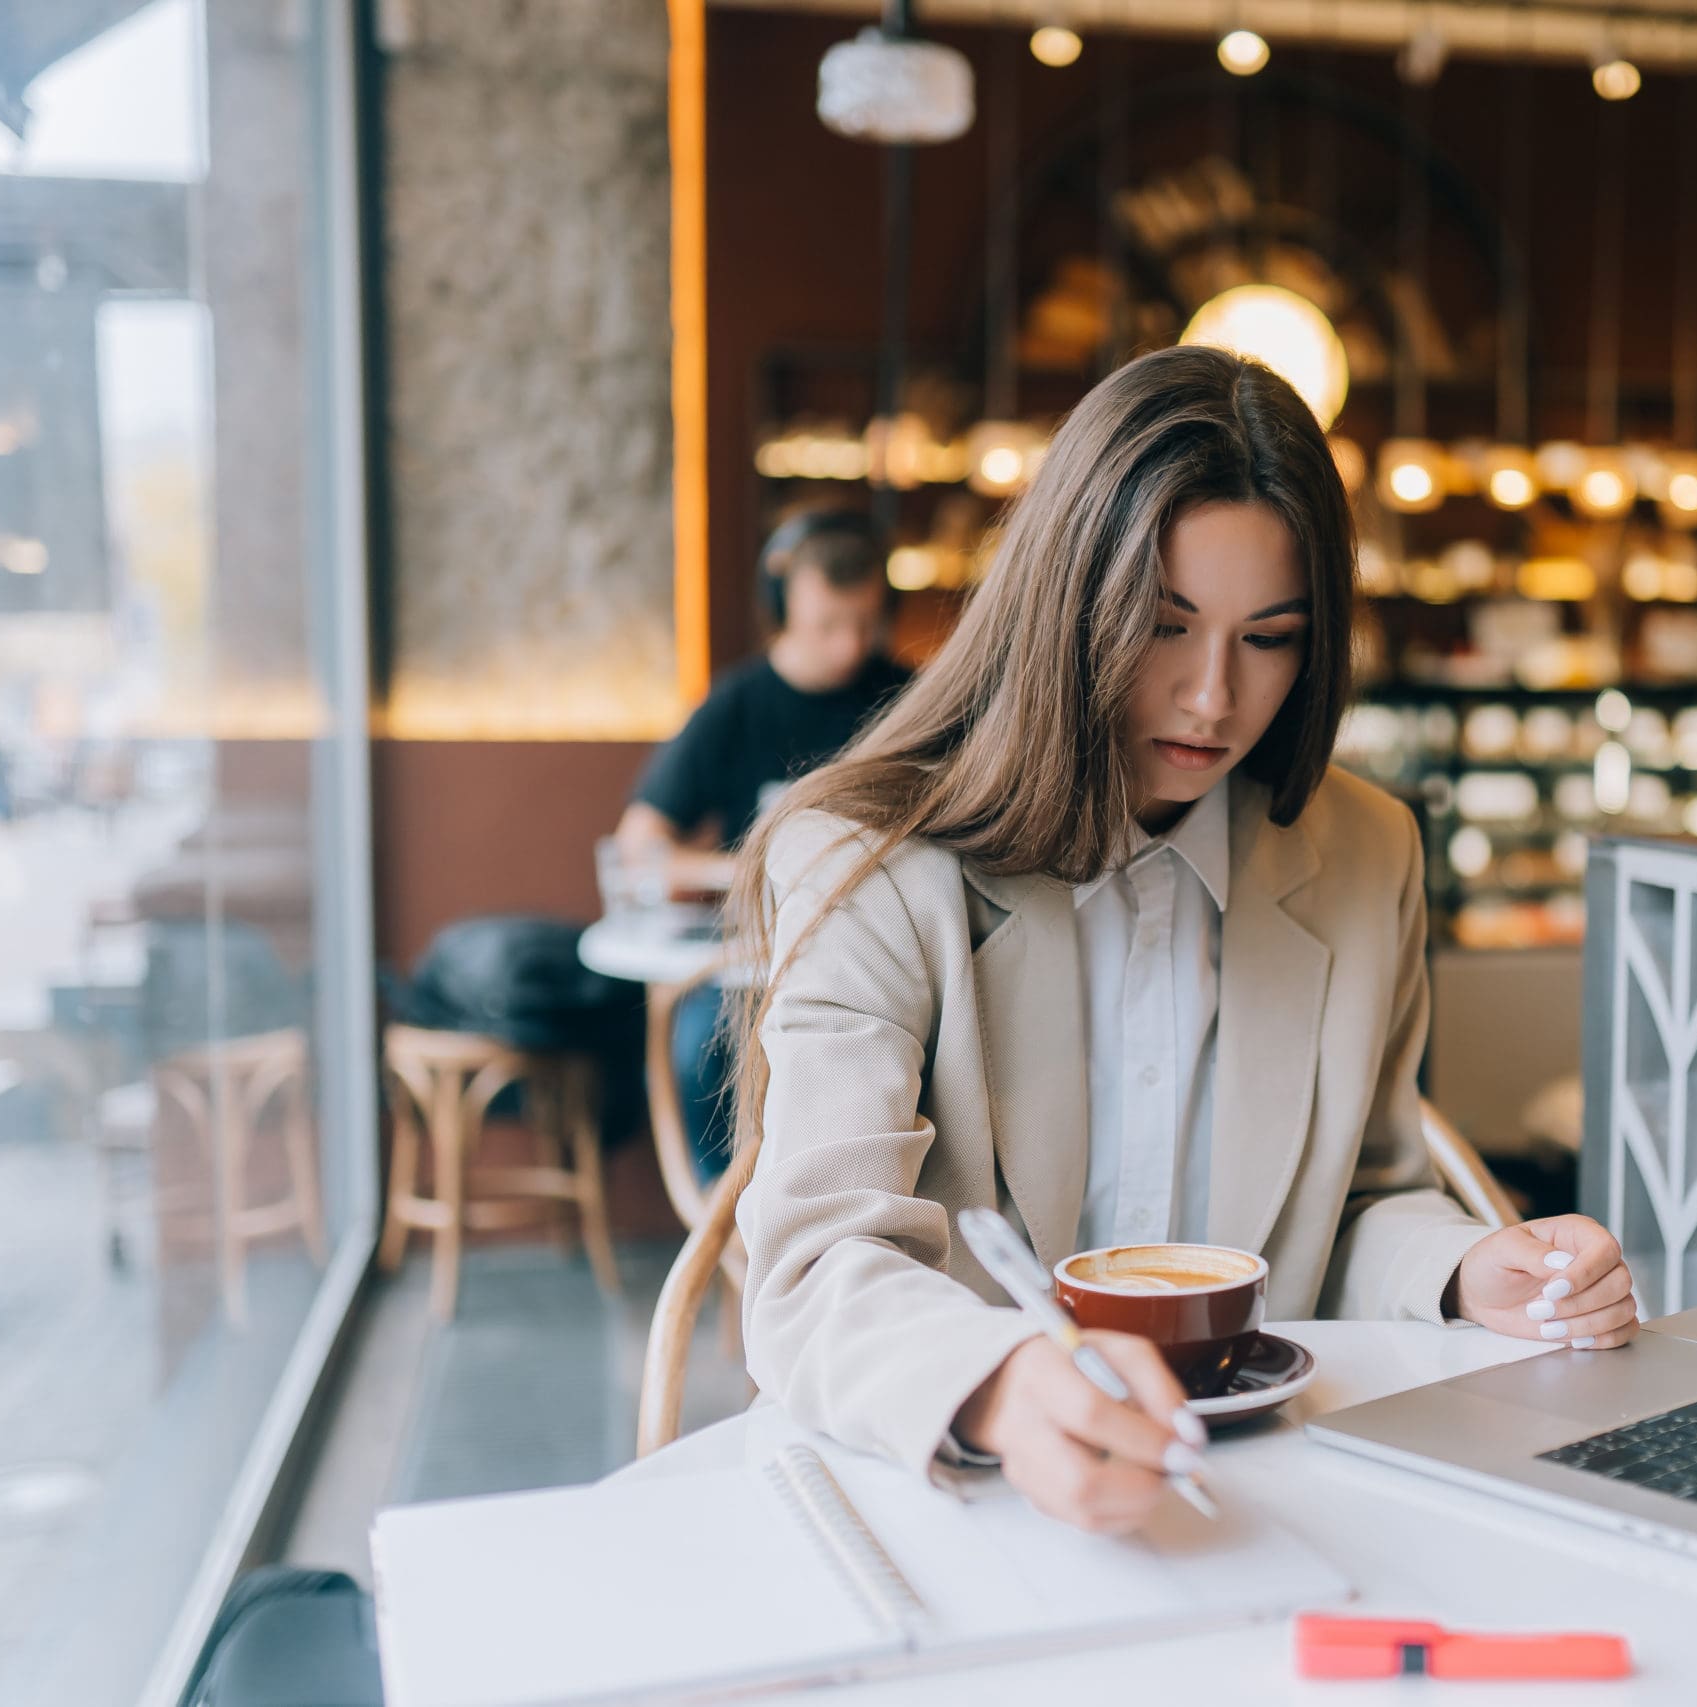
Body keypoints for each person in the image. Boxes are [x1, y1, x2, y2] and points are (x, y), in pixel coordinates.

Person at [723, 346, 1638, 1535]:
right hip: (945, 1483)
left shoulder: (1366, 856)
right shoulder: (870, 859)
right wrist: (1000, 1386)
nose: (1214, 697)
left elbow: (1359, 1197)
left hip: (1261, 1489)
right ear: (1066, 608)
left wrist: (1462, 1273)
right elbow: (812, 1266)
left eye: (1270, 637)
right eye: (1165, 625)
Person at [616, 508, 910, 1180]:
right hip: (753, 965)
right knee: (700, 1051)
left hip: (877, 958)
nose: (849, 646)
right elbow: (640, 844)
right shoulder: (737, 704)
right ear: (781, 609)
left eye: (864, 624)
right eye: (827, 625)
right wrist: (754, 868)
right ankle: (730, 1225)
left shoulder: (907, 699)